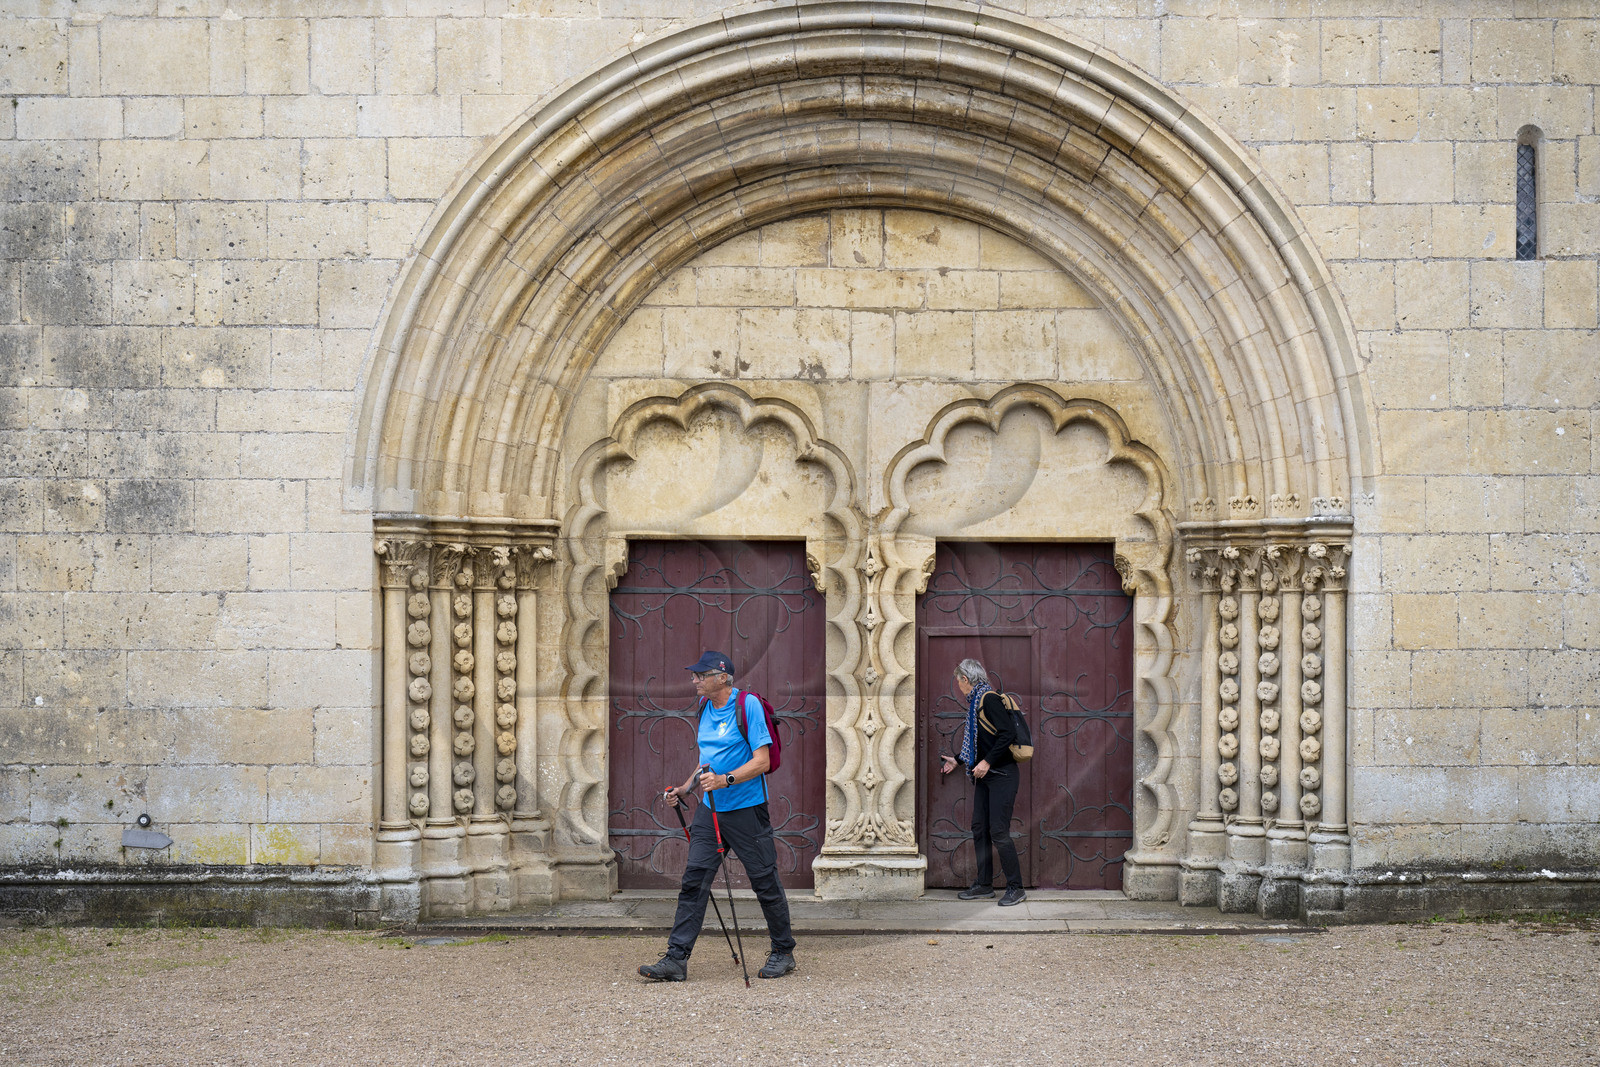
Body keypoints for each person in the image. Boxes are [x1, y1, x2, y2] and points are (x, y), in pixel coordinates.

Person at [638, 650, 798, 982]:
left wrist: (726, 780)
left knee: (764, 881)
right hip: (710, 812)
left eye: (700, 675)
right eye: (694, 675)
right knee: (694, 882)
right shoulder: (704, 708)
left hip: (747, 812)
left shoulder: (747, 706)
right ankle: (676, 960)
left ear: (721, 677)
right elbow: (707, 760)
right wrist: (686, 788)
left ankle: (783, 952)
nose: (694, 679)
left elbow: (763, 761)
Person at [939, 658, 1026, 906]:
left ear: (965, 680)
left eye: (959, 682)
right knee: (980, 828)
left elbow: (1007, 733)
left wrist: (987, 762)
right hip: (986, 778)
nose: (959, 687)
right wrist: (958, 759)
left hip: (1003, 776)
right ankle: (985, 884)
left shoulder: (988, 699)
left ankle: (1016, 887)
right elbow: (980, 743)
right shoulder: (976, 702)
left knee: (998, 831)